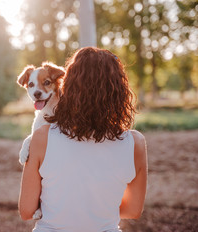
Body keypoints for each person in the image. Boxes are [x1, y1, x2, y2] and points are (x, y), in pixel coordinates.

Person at [19, 47, 147, 232]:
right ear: (119, 91)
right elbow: (133, 211)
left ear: (67, 85)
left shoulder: (41, 137)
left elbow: (26, 211)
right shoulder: (136, 143)